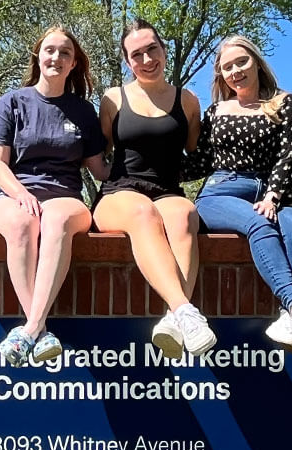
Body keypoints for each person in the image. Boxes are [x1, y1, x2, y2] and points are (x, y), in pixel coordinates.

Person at [185, 35, 292, 352]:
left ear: (256, 62)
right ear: (220, 75)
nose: (236, 71)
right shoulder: (215, 112)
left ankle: (287, 319)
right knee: (259, 224)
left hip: (267, 194)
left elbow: (288, 158)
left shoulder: (285, 104)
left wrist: (273, 196)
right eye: (227, 67)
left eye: (241, 62)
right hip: (218, 194)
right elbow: (198, 163)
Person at [0, 26, 108, 367]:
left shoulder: (83, 111)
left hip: (66, 196)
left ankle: (29, 331)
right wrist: (20, 193)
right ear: (39, 56)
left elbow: (99, 169)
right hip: (12, 193)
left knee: (54, 218)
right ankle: (37, 330)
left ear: (74, 64)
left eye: (65, 53)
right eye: (50, 50)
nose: (56, 57)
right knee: (23, 222)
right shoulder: (12, 102)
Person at [93, 18, 214, 359]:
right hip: (120, 192)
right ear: (127, 61)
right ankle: (185, 310)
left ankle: (172, 323)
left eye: (152, 50)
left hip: (167, 190)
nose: (146, 60)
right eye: (136, 55)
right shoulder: (112, 99)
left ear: (163, 49)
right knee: (143, 213)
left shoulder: (188, 101)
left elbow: (197, 153)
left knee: (185, 214)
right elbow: (97, 151)